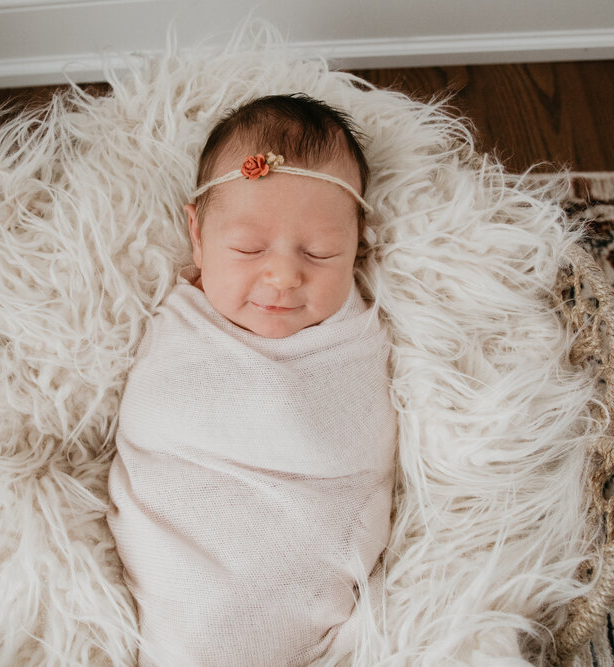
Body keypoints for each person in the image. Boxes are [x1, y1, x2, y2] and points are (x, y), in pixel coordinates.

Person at [107, 94, 397, 666]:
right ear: (197, 236)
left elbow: (363, 444)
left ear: (357, 246)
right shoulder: (182, 320)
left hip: (300, 564)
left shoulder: (354, 337)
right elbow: (151, 419)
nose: (284, 275)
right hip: (182, 574)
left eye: (320, 252)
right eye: (247, 248)